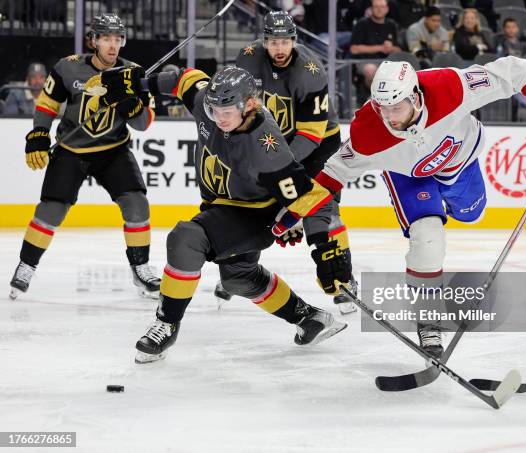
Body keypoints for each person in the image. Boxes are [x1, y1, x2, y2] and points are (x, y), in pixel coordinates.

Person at [313, 58, 526, 357]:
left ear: (416, 96)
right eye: (383, 107)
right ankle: (428, 319)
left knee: (473, 212)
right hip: (408, 176)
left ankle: (446, 202)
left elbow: (515, 70)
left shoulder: (448, 86)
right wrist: (293, 215)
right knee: (428, 237)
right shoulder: (367, 131)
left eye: (398, 107)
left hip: (459, 160)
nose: (391, 117)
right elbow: (333, 174)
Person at [100, 65, 352, 363]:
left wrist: (325, 247)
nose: (219, 118)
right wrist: (139, 82)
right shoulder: (209, 104)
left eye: (227, 111)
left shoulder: (265, 145)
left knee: (186, 239)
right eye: (214, 109)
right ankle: (310, 319)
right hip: (220, 206)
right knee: (238, 278)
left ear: (249, 105)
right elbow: (182, 78)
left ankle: (166, 324)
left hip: (253, 215)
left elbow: (311, 198)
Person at [8, 13, 160, 300]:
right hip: (71, 150)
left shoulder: (135, 73)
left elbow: (143, 124)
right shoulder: (68, 68)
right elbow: (47, 105)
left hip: (114, 150)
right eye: (106, 39)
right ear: (94, 41)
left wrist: (129, 104)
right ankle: (26, 265)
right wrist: (39, 135)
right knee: (51, 210)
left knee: (137, 205)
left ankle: (141, 268)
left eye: (117, 39)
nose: (112, 46)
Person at [233, 10, 358, 314]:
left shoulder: (310, 70)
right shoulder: (247, 59)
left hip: (317, 144)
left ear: (294, 41)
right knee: (250, 204)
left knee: (323, 206)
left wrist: (277, 170)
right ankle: (239, 266)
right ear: (264, 42)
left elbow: (311, 136)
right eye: (273, 41)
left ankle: (344, 279)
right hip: (274, 141)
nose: (279, 48)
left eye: (285, 41)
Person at [349, 0, 402, 91]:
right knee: (371, 70)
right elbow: (354, 49)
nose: (379, 9)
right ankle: (376, 98)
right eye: (376, 7)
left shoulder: (392, 24)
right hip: (366, 61)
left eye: (382, 7)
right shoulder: (362, 23)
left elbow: (399, 50)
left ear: (387, 9)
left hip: (388, 61)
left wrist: (391, 48)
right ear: (371, 9)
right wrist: (380, 48)